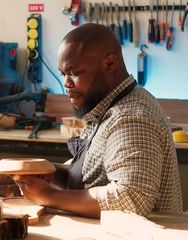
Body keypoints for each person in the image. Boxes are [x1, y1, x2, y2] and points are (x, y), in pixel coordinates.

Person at [11, 23, 183, 219]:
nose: (66, 84)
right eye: (63, 74)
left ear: (110, 64)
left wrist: (49, 195)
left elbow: (132, 198)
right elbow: (93, 175)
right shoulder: (105, 107)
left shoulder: (130, 118)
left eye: (74, 73)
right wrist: (49, 173)